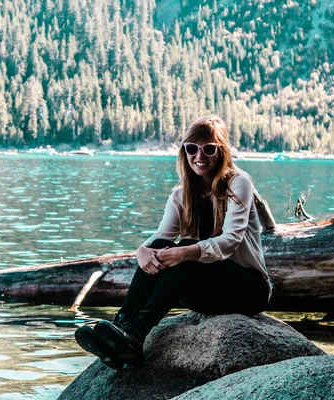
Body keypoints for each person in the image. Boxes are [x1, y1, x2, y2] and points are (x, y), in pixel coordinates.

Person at [75, 115, 272, 370]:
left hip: (248, 290)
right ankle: (122, 326)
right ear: (184, 151)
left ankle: (137, 332)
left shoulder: (238, 182)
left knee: (187, 252)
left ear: (221, 151)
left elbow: (230, 241)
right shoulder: (181, 192)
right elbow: (162, 235)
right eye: (192, 148)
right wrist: (142, 251)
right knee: (159, 246)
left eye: (208, 149)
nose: (199, 155)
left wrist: (185, 252)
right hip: (205, 292)